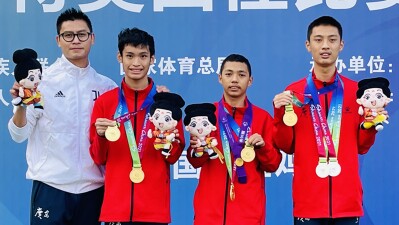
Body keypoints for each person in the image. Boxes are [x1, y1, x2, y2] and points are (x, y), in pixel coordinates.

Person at [8, 8, 117, 225]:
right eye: (68, 35)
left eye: (82, 34)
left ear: (92, 38)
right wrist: (21, 105)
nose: (75, 40)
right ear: (58, 40)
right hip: (51, 187)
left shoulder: (107, 87)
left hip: (93, 189)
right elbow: (19, 134)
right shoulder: (41, 83)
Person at [272, 16, 385, 225]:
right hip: (308, 204)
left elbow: (362, 146)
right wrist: (280, 114)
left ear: (341, 45)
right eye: (318, 40)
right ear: (308, 45)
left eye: (332, 40)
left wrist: (370, 126)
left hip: (347, 204)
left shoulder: (356, 92)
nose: (325, 46)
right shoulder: (294, 93)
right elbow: (286, 146)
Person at [89, 27, 185, 225]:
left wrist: (167, 139)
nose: (136, 63)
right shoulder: (105, 103)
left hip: (154, 211)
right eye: (129, 56)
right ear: (119, 57)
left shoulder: (165, 104)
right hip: (115, 210)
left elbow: (174, 155)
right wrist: (100, 136)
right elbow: (98, 157)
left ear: (152, 59)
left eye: (143, 56)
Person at [187, 53, 283, 225]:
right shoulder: (206, 117)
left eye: (241, 75)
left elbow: (273, 164)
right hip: (209, 215)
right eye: (229, 74)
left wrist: (263, 148)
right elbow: (195, 162)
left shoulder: (263, 118)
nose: (234, 80)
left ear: (250, 80)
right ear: (220, 78)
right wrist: (197, 150)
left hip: (248, 215)